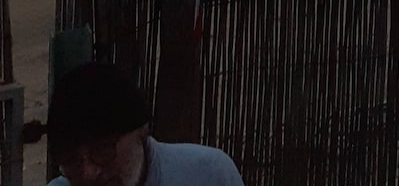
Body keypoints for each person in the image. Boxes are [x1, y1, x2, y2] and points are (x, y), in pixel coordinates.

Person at [25, 62, 244, 186]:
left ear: (141, 132)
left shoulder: (207, 174)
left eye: (102, 150)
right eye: (71, 160)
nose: (89, 172)